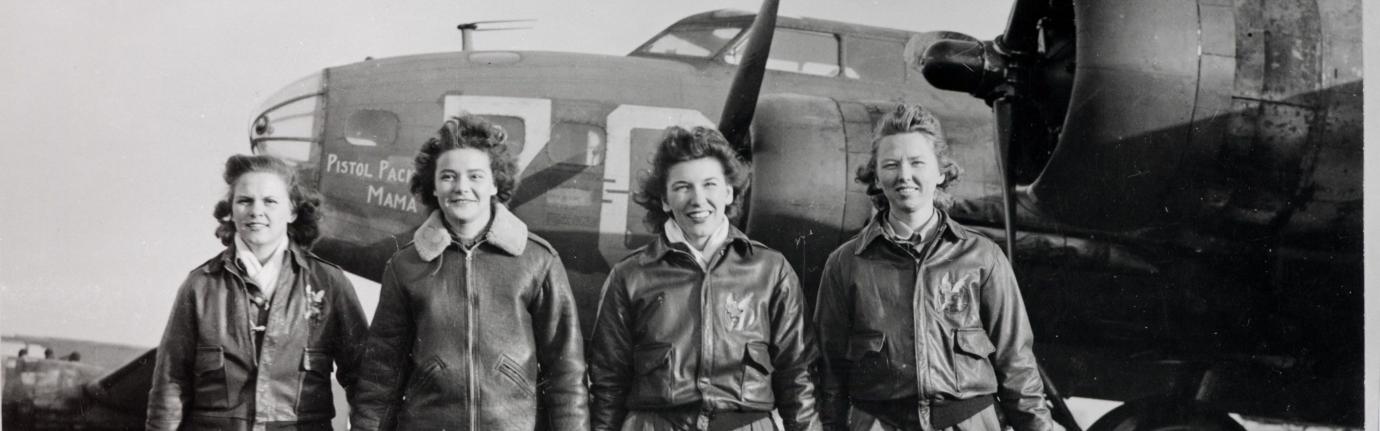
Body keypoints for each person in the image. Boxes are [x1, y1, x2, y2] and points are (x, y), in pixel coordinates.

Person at [814, 105, 1059, 431]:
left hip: (969, 422)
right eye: (890, 164)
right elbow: (829, 370)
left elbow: (1017, 363)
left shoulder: (983, 257)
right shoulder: (845, 264)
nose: (904, 175)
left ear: (941, 172)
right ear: (876, 177)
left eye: (917, 163)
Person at [351, 114, 589, 431]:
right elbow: (380, 376)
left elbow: (566, 372)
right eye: (448, 177)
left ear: (494, 183)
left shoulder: (537, 260)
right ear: (433, 186)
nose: (462, 187)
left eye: (475, 176)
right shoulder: (405, 267)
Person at [588, 126, 819, 431]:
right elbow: (608, 382)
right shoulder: (630, 276)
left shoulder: (771, 270)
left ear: (729, 192)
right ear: (665, 200)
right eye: (683, 187)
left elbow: (798, 376)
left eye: (710, 184)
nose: (698, 199)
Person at [147, 154, 369, 430]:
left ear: (292, 211)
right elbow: (170, 385)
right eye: (245, 201)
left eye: (270, 201)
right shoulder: (199, 285)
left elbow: (365, 380)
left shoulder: (330, 283)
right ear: (231, 210)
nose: (256, 211)